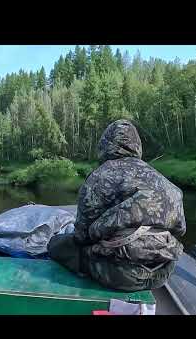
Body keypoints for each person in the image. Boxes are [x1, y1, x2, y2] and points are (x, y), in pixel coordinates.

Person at [48, 119, 186, 291]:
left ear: (106, 145)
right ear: (137, 146)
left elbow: (81, 236)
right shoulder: (163, 180)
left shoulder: (100, 176)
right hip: (163, 273)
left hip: (120, 275)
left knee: (57, 244)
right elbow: (180, 230)